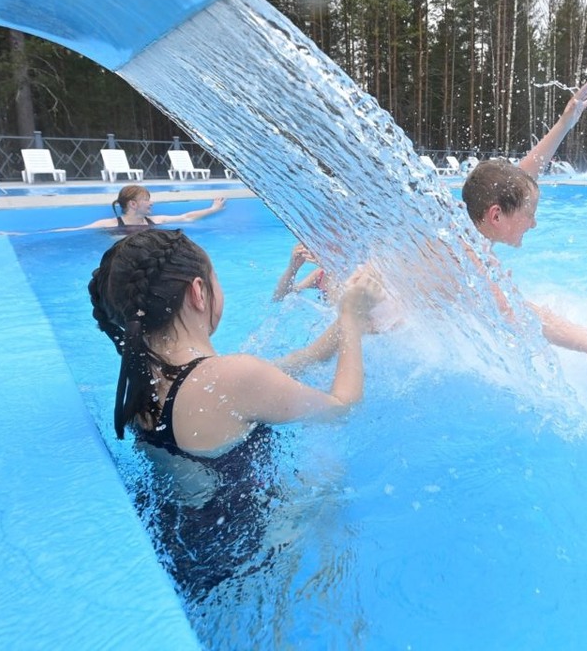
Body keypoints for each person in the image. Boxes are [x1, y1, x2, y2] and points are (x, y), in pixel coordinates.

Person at [88, 229, 381, 598]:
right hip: (247, 564)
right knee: (332, 485)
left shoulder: (143, 379)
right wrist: (352, 324)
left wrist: (347, 314)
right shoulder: (234, 377)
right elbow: (342, 408)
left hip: (188, 553)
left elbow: (300, 360)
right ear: (198, 291)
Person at [462, 157, 587, 387]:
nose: (533, 223)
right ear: (496, 216)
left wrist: (565, 123)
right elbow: (512, 309)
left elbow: (512, 182)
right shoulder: (463, 254)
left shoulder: (473, 234)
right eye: (529, 214)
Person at [52, 185, 226, 232]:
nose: (151, 203)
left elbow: (186, 217)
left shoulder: (155, 221)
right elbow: (77, 230)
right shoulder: (110, 224)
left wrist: (213, 209)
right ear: (133, 204)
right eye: (146, 200)